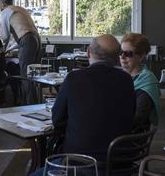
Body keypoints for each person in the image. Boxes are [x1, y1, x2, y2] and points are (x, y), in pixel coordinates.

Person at [51, 35, 135, 163]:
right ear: (117, 57)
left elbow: (57, 120)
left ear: (88, 53)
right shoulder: (127, 80)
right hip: (119, 162)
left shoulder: (74, 79)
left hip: (78, 164)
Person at [0, 0, 40, 104]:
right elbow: (23, 36)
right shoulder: (20, 9)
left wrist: (2, 48)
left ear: (2, 4)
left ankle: (30, 106)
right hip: (37, 40)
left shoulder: (4, 12)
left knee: (25, 75)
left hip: (27, 41)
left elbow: (5, 37)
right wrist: (9, 49)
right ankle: (35, 104)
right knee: (33, 75)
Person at [120, 33, 160, 131]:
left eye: (128, 54)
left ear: (141, 56)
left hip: (131, 137)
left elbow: (138, 118)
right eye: (120, 52)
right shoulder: (119, 75)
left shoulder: (147, 81)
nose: (122, 57)